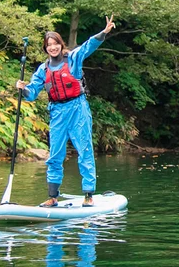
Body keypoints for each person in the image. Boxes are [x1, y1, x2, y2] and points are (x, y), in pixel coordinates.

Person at [16, 15, 116, 207]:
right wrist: (23, 88)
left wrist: (104, 32)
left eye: (55, 44)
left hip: (78, 108)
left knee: (84, 149)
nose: (52, 47)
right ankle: (53, 196)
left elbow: (88, 46)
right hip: (57, 112)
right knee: (55, 155)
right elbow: (31, 93)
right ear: (45, 49)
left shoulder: (73, 59)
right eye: (49, 45)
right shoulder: (43, 70)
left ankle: (88, 194)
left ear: (61, 45)